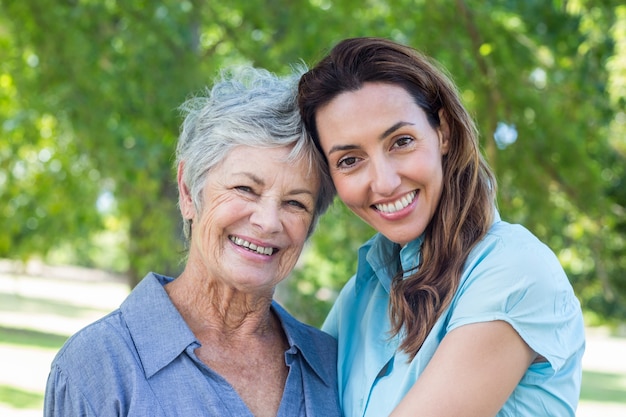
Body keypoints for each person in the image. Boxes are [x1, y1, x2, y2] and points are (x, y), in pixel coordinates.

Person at [298, 37, 585, 417]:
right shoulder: (361, 295)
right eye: (350, 160)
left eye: (401, 141)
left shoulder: (515, 271)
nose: (383, 182)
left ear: (443, 132)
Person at [44, 66, 341, 417]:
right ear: (188, 191)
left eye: (296, 203)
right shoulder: (98, 365)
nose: (268, 221)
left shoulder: (331, 364)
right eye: (245, 188)